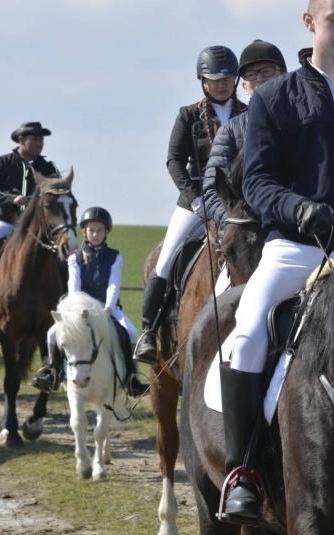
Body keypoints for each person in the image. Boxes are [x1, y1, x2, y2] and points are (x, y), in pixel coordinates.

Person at [218, 0, 334, 522]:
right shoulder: (274, 99)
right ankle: (243, 473)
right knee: (249, 329)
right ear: (310, 23)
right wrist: (297, 207)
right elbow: (256, 180)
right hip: (294, 248)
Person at [134, 46, 247, 363]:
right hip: (194, 202)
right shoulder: (188, 115)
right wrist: (196, 199)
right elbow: (174, 161)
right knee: (167, 257)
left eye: (226, 78)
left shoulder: (249, 113)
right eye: (214, 79)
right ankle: (148, 332)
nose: (221, 84)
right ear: (202, 80)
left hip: (237, 204)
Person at [32, 207, 148, 397]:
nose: (95, 234)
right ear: (84, 232)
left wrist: (109, 307)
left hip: (108, 308)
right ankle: (53, 372)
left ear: (106, 232)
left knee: (132, 331)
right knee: (52, 333)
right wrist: (76, 309)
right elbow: (74, 286)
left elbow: (113, 284)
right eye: (91, 230)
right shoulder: (74, 258)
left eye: (100, 230)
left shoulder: (114, 257)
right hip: (80, 311)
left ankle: (132, 378)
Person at [0, 122, 59, 320]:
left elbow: (57, 193)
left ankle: (64, 299)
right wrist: (12, 199)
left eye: (41, 139)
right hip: (6, 221)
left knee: (63, 251)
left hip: (37, 227)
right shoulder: (3, 162)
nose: (40, 143)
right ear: (21, 140)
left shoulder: (48, 167)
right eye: (35, 139)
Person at [202, 39, 287, 233]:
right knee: (170, 258)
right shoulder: (230, 131)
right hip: (249, 233)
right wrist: (238, 225)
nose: (259, 79)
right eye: (251, 74)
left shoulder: (304, 124)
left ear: (285, 76)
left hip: (298, 228)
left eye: (267, 71)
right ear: (244, 86)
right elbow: (212, 190)